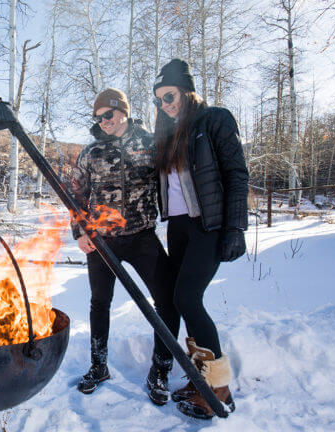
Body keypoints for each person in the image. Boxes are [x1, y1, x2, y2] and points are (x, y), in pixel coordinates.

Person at [69, 88, 180, 404]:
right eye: (98, 117)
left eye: (107, 114)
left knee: (167, 301)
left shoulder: (149, 144)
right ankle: (98, 365)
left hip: (143, 237)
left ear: (123, 112)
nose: (102, 121)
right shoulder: (90, 153)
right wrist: (80, 231)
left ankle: (159, 371)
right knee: (99, 303)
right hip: (102, 242)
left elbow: (176, 175)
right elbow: (76, 193)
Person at [152, 58, 248, 419]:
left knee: (187, 297)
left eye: (171, 95)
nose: (166, 104)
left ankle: (219, 389)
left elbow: (236, 173)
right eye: (160, 99)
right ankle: (200, 378)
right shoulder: (168, 134)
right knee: (183, 302)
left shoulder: (215, 120)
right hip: (178, 227)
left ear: (188, 90)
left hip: (207, 225)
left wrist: (235, 227)